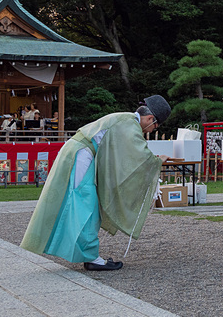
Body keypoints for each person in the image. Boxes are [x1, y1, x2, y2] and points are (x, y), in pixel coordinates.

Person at [21, 95, 171, 271]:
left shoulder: (125, 120)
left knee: (81, 204)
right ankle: (92, 258)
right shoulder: (129, 124)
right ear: (150, 119)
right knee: (87, 205)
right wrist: (158, 161)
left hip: (80, 152)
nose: (152, 130)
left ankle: (85, 253)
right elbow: (139, 154)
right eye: (155, 126)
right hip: (82, 154)